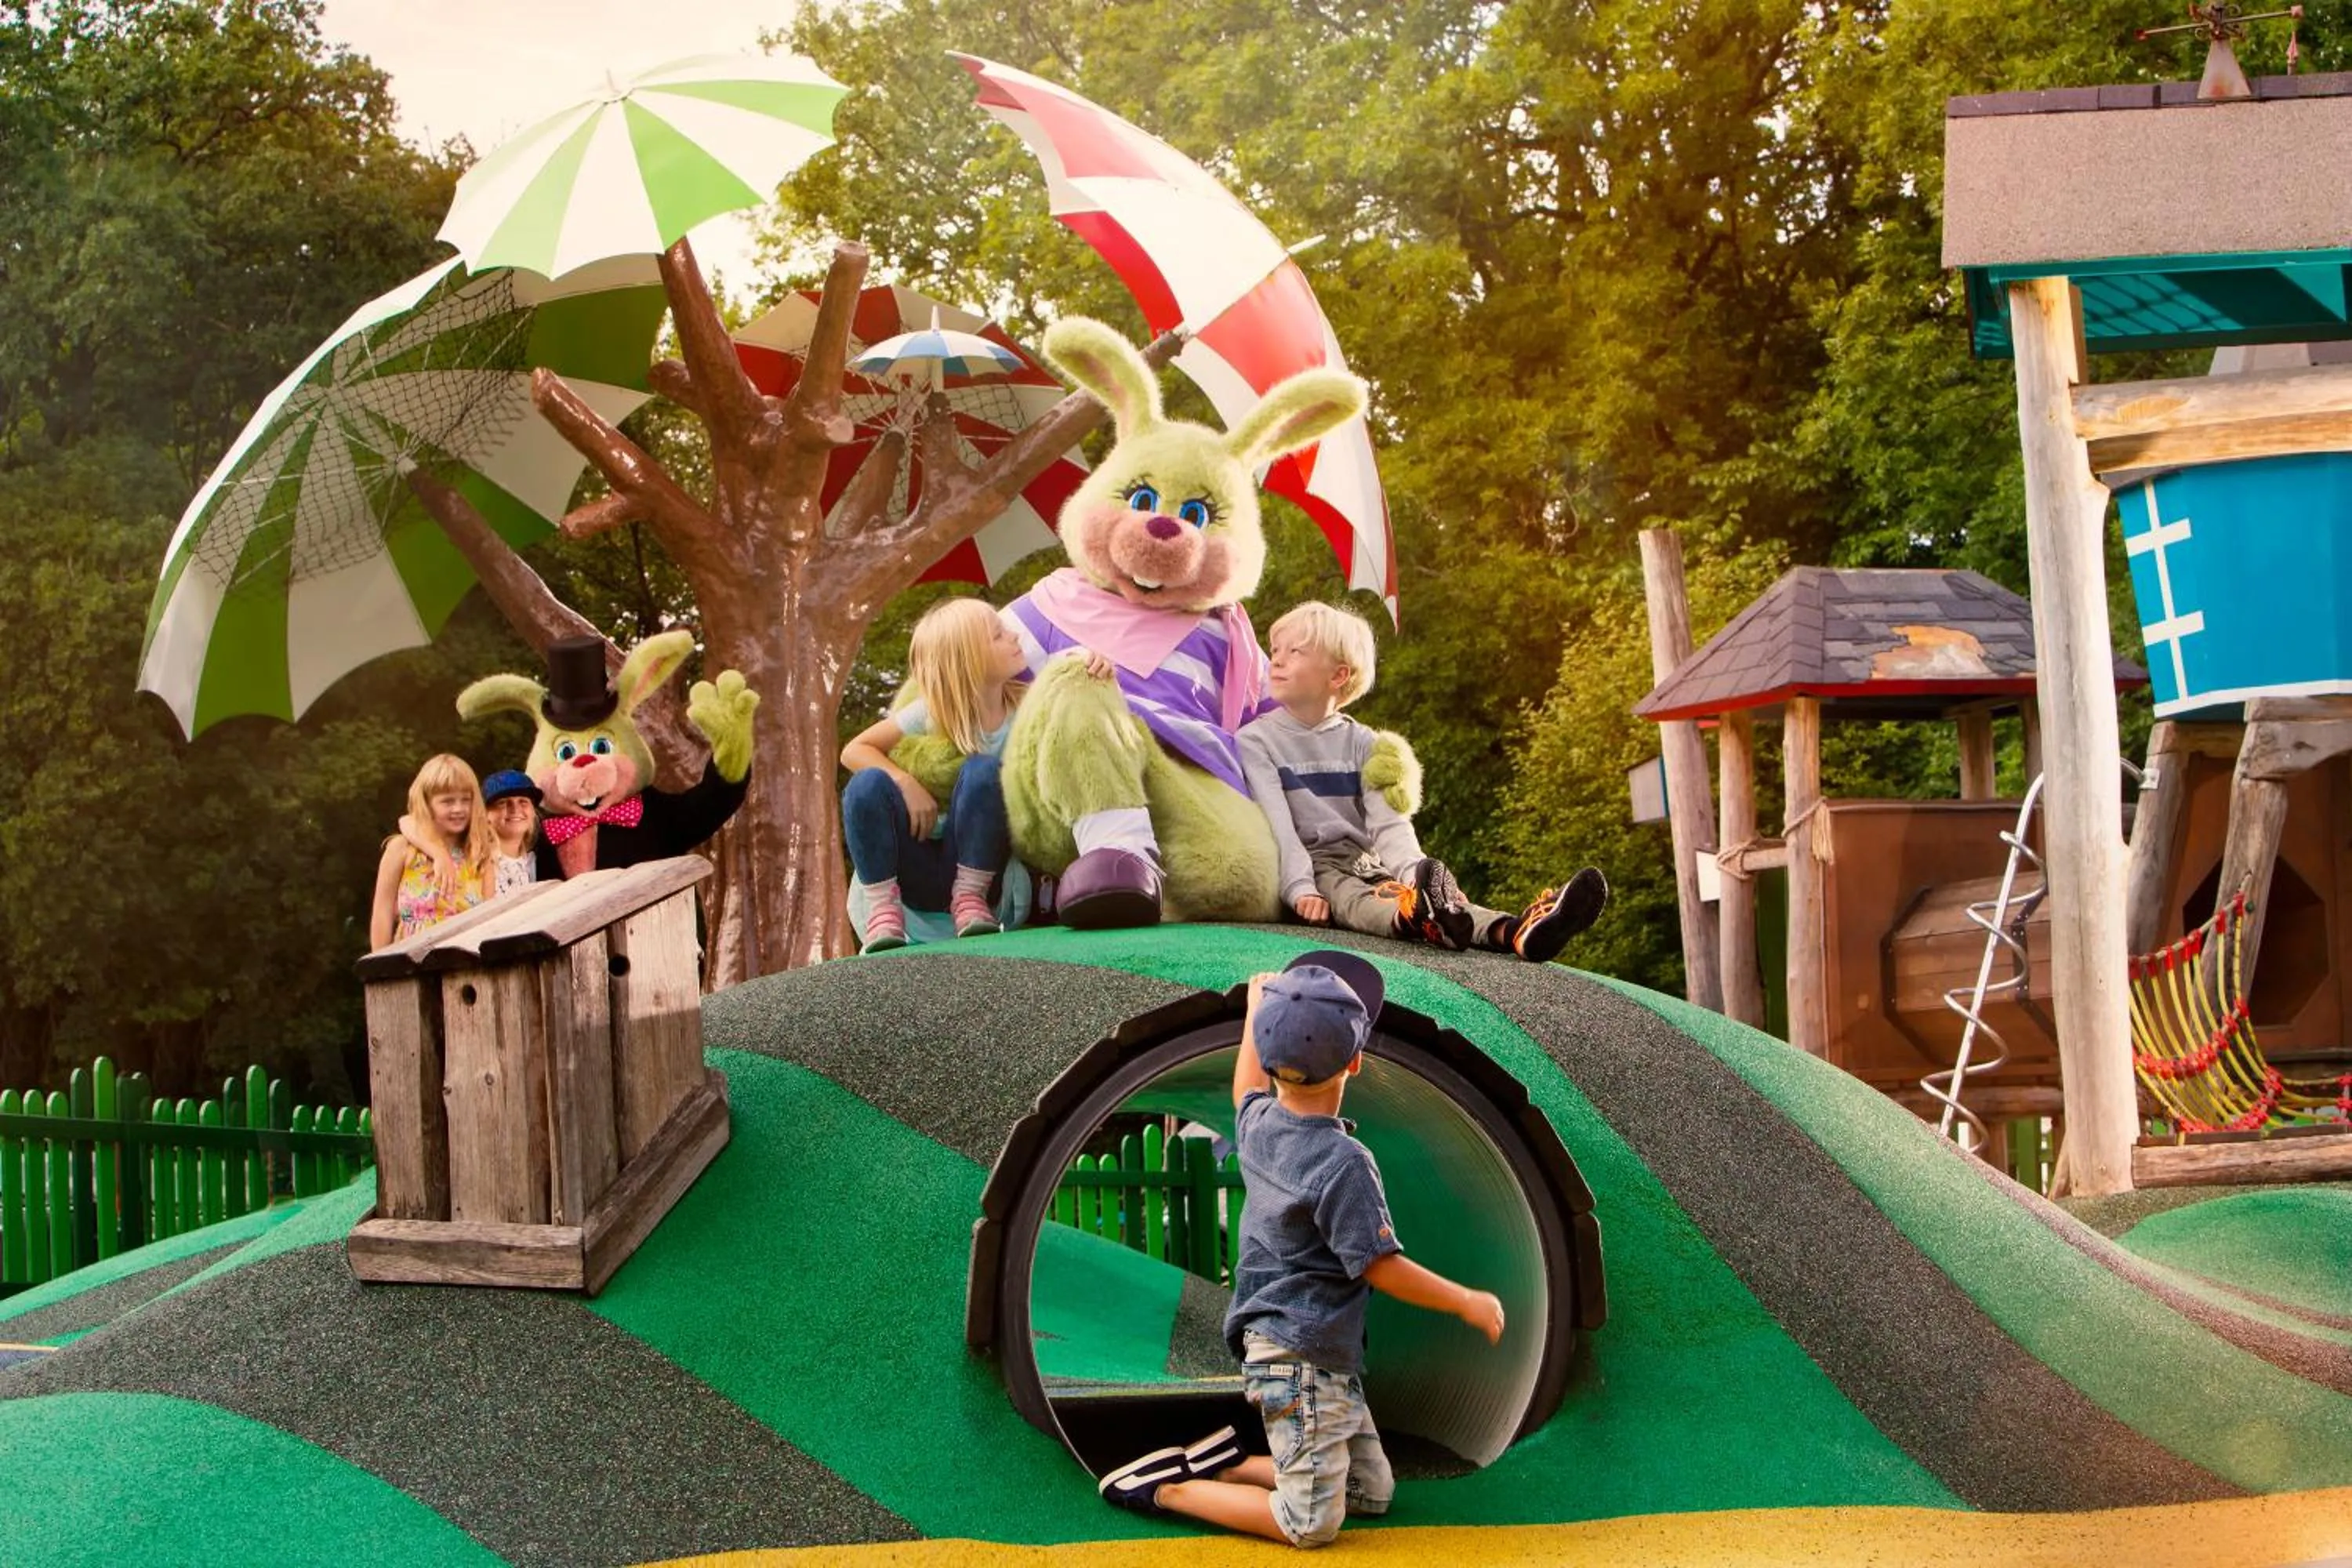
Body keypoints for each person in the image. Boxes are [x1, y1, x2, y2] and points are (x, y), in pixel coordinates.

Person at [1098, 952, 1506, 1546]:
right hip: (1301, 1359)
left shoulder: (1259, 1124)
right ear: (1357, 1062)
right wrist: (1464, 1300)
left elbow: (1244, 1087)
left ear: (1270, 1063)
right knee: (1310, 1523)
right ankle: (1164, 1487)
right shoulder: (1344, 1163)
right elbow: (1379, 1266)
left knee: (1372, 1494)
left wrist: (1250, 1018)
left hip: (1313, 1353)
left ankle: (1228, 1463)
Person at [1238, 601, 1606, 961]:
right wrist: (1299, 887)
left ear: (1338, 676)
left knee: (1446, 903)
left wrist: (1415, 873)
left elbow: (1389, 825)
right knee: (1358, 901)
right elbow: (1278, 826)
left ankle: (1515, 931)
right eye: (1275, 650)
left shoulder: (1366, 743)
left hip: (1369, 862)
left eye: (1295, 651)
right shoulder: (1257, 740)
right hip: (1319, 867)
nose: (1278, 660)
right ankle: (1418, 916)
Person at [840, 597, 1029, 952]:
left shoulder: (1027, 705)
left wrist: (1090, 665)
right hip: (921, 868)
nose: (1015, 637)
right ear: (968, 660)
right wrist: (905, 783)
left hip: (987, 871)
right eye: (998, 635)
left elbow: (1071, 698)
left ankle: (971, 900)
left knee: (984, 771)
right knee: (866, 784)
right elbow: (854, 750)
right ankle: (883, 911)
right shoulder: (931, 712)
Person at [368, 754, 493, 949]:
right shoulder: (402, 849)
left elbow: (490, 916)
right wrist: (378, 968)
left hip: (466, 960)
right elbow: (382, 913)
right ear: (427, 803)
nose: (458, 808)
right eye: (448, 801)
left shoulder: (479, 854)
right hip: (410, 959)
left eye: (465, 800)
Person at [398, 768, 540, 902]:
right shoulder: (473, 851)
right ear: (485, 813)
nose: (515, 809)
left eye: (523, 802)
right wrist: (438, 854)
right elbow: (408, 821)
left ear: (534, 811)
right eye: (502, 803)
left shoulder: (542, 855)